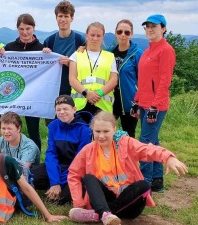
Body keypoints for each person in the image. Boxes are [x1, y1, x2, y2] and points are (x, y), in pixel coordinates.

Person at [68, 111, 187, 225]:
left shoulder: (125, 143)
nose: (101, 136)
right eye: (97, 131)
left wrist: (168, 158)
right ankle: (105, 214)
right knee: (89, 178)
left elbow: (147, 150)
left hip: (129, 203)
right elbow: (73, 174)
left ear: (114, 130)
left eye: (106, 131)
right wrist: (79, 204)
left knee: (144, 186)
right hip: (104, 200)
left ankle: (97, 215)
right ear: (92, 131)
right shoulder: (88, 150)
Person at [131, 14, 176, 192]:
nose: (150, 29)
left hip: (155, 106)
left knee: (145, 143)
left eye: (154, 26)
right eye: (147, 26)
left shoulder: (166, 50)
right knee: (153, 142)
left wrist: (154, 108)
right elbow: (143, 81)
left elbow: (165, 81)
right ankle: (157, 181)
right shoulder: (148, 50)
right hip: (144, 104)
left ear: (163, 29)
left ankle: (145, 183)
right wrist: (136, 101)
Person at [31, 95, 92, 205]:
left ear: (74, 109)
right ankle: (53, 187)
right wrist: (55, 182)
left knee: (66, 198)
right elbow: (51, 154)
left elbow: (79, 162)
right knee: (30, 176)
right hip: (57, 166)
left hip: (75, 170)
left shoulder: (85, 130)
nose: (62, 112)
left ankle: (57, 190)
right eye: (58, 110)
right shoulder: (53, 125)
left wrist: (60, 181)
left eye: (65, 109)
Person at [0, 13, 46, 150]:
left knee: (33, 131)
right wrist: (0, 53)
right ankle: (9, 158)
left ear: (33, 28)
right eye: (21, 29)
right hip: (13, 95)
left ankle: (35, 161)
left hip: (33, 96)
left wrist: (48, 54)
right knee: (10, 129)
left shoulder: (41, 48)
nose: (25, 32)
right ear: (17, 29)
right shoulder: (10, 47)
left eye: (28, 28)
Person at [69, 22, 118, 121]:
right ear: (86, 35)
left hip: (102, 104)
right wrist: (87, 93)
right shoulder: (77, 55)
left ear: (103, 37)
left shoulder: (110, 56)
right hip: (80, 105)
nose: (95, 38)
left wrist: (99, 93)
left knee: (101, 136)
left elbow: (113, 80)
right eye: (92, 35)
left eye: (98, 35)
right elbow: (72, 78)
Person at [107, 19, 143, 138]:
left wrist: (139, 103)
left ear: (131, 34)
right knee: (106, 132)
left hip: (129, 101)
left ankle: (129, 157)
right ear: (115, 33)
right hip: (110, 100)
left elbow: (143, 80)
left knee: (129, 134)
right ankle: (110, 156)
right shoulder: (109, 52)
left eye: (127, 32)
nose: (123, 35)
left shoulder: (137, 54)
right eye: (120, 31)